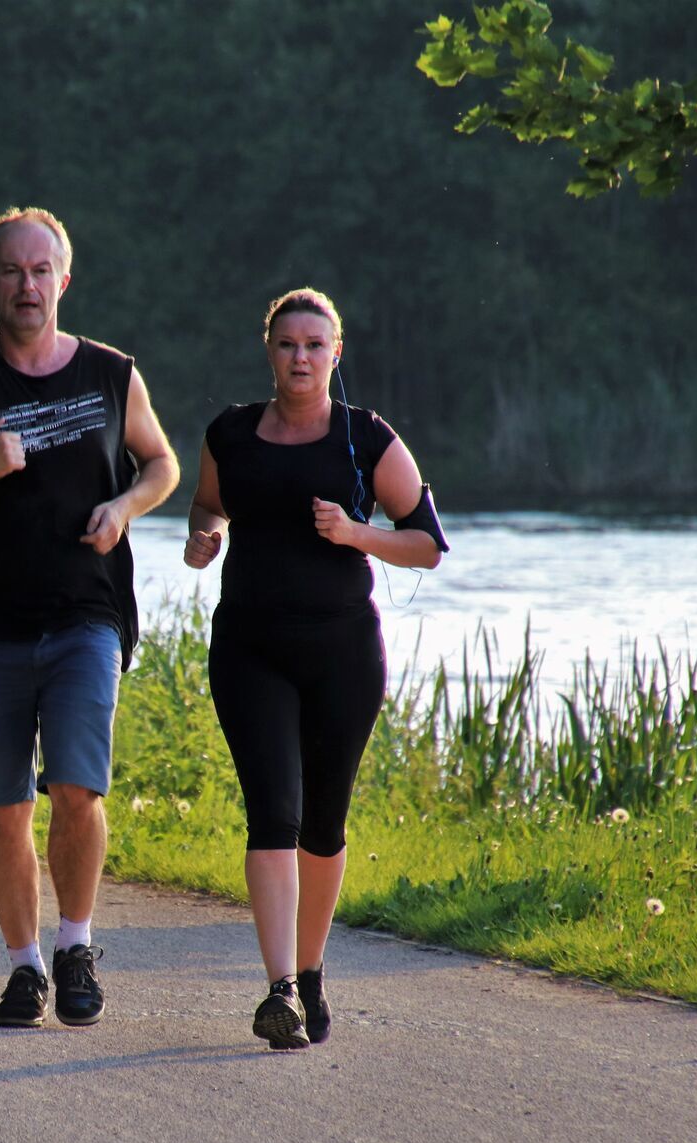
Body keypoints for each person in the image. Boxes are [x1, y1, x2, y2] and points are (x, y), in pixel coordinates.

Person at [0, 207, 180, 1028]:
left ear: (64, 280)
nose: (27, 284)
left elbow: (161, 462)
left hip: (87, 613)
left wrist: (124, 505)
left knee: (78, 787)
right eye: (11, 271)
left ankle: (76, 945)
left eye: (41, 270)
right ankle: (23, 966)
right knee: (4, 807)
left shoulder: (112, 373)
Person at [183, 287, 448, 1050]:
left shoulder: (366, 438)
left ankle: (310, 970)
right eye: (287, 343)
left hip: (342, 653)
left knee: (323, 825)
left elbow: (426, 542)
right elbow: (207, 506)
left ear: (337, 353)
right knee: (273, 812)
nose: (300, 357)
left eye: (314, 344)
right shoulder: (230, 433)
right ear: (269, 352)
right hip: (250, 648)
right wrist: (204, 537)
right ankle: (278, 992)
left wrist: (357, 533)